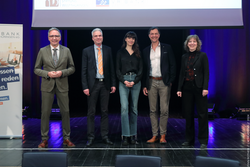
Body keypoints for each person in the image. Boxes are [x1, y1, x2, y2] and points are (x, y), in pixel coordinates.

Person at [34, 27, 75, 148]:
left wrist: (62, 72)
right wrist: (47, 73)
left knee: (66, 112)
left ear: (60, 38)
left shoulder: (66, 51)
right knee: (45, 112)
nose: (54, 38)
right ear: (48, 38)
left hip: (62, 85)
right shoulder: (42, 51)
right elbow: (36, 69)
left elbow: (72, 68)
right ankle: (44, 139)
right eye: (52, 36)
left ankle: (66, 138)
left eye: (56, 36)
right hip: (47, 85)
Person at [81, 28, 116, 147]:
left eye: (100, 35)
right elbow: (84, 70)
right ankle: (90, 137)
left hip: (105, 84)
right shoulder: (86, 51)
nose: (98, 37)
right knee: (91, 112)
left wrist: (113, 84)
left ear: (102, 37)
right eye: (96, 36)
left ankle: (105, 136)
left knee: (105, 111)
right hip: (92, 85)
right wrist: (85, 86)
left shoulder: (108, 49)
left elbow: (111, 68)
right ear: (92, 38)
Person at [142, 27, 176, 144]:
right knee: (153, 110)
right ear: (149, 36)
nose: (154, 36)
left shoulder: (167, 48)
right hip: (151, 82)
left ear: (159, 35)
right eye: (152, 34)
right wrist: (145, 85)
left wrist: (170, 80)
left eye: (156, 34)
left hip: (164, 82)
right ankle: (154, 135)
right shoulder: (146, 50)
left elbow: (173, 65)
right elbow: (145, 69)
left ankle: (163, 135)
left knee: (164, 110)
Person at [177, 34, 209, 149]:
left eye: (194, 41)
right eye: (190, 41)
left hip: (199, 88)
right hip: (187, 88)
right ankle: (189, 140)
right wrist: (179, 88)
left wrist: (205, 87)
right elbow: (182, 73)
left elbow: (206, 73)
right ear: (187, 44)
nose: (192, 43)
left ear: (197, 43)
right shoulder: (184, 57)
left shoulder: (202, 56)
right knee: (188, 114)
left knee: (202, 114)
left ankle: (203, 140)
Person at [116, 31, 143, 146]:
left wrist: (134, 81)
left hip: (136, 81)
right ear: (125, 39)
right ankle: (125, 136)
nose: (131, 40)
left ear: (135, 40)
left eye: (133, 38)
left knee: (134, 109)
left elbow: (141, 70)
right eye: (129, 38)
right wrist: (124, 80)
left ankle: (133, 135)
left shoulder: (138, 53)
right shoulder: (120, 52)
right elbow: (117, 69)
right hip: (123, 81)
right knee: (124, 108)